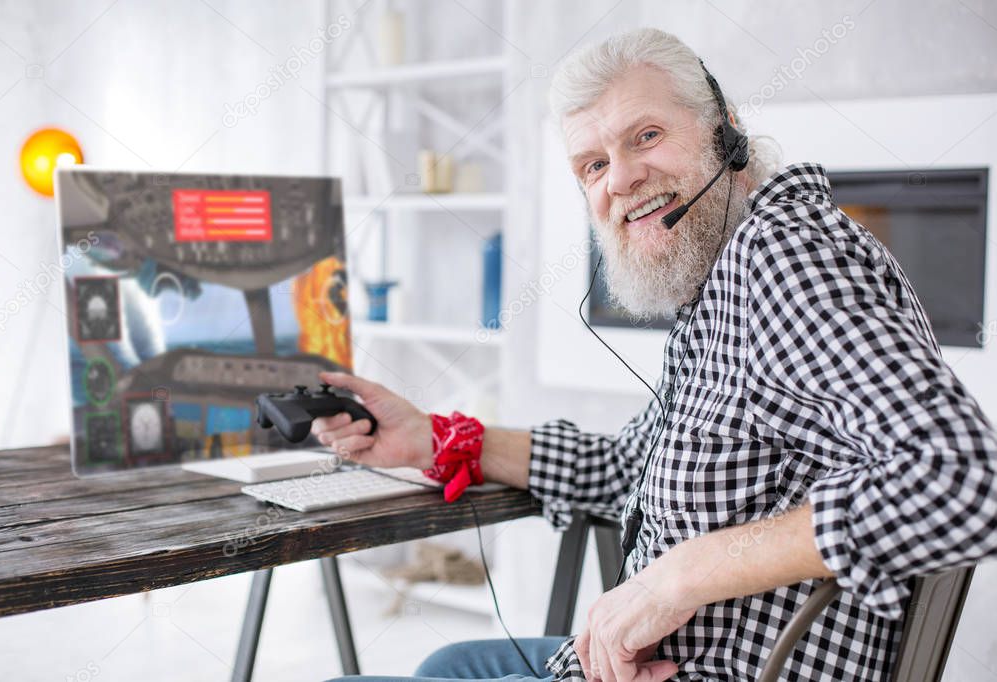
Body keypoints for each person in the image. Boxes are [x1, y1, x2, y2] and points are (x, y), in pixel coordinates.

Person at [318, 27, 997, 682]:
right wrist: (434, 438)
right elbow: (623, 467)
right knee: (446, 664)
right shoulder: (720, 282)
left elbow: (965, 482)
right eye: (592, 165)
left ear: (722, 131)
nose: (620, 179)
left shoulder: (783, 259)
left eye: (644, 136)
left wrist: (684, 573)